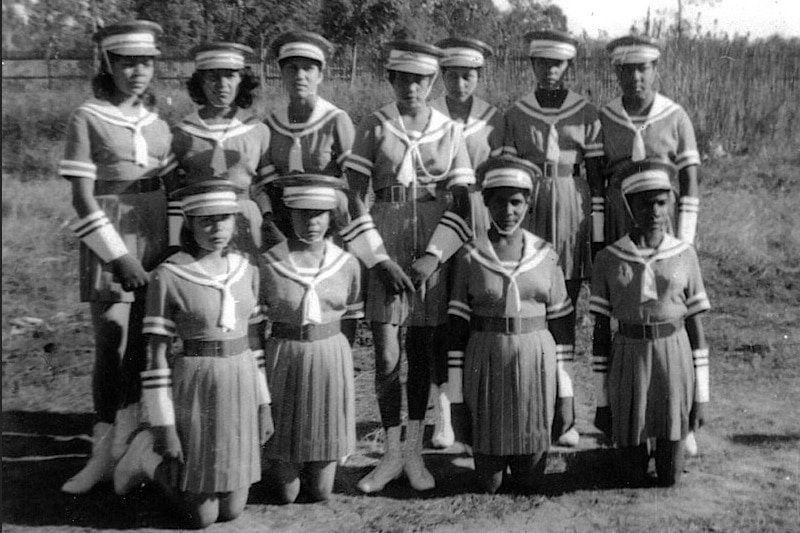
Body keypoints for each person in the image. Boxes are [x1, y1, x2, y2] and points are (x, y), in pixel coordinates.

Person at [340, 38, 474, 493]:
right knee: (385, 352)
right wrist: (377, 258)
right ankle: (390, 454)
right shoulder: (373, 126)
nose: (412, 87)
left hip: (431, 246)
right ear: (391, 79)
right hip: (385, 242)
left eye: (421, 79)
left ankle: (414, 454)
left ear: (431, 81)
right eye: (404, 79)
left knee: (422, 350)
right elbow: (353, 195)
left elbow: (461, 200)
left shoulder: (449, 129)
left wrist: (433, 256)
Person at [113, 180, 273, 529]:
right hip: (195, 387)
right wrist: (164, 427)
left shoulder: (249, 270)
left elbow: (256, 344)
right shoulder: (169, 275)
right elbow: (155, 359)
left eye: (224, 219)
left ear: (235, 220)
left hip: (241, 382)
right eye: (206, 221)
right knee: (200, 518)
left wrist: (264, 404)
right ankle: (144, 457)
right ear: (190, 223)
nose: (217, 229)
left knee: (231, 511)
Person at [60, 20, 172, 494]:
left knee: (148, 342)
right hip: (111, 238)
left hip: (157, 231)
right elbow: (82, 198)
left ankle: (130, 443)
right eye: (127, 62)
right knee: (112, 339)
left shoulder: (160, 123)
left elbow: (172, 189)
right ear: (109, 64)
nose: (137, 72)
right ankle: (101, 450)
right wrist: (117, 256)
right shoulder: (87, 116)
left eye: (145, 62)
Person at [446, 156, 575, 494]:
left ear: (528, 203)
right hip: (486, 363)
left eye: (516, 201)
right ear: (486, 202)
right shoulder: (470, 255)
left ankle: (532, 443)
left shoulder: (546, 254)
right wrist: (456, 401)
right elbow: (456, 333)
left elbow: (562, 329)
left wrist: (566, 395)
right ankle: (487, 450)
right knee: (488, 484)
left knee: (531, 482)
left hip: (536, 363)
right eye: (499, 201)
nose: (508, 210)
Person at [503, 29, 604, 447]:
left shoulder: (587, 112)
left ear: (569, 67)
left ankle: (565, 410)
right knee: (530, 309)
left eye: (557, 64)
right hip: (530, 209)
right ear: (532, 66)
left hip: (572, 209)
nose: (549, 72)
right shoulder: (516, 114)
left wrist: (596, 236)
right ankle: (529, 404)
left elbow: (596, 181)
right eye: (542, 64)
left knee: (565, 310)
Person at [590, 159, 710, 487]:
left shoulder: (685, 254)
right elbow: (600, 335)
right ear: (629, 206)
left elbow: (697, 331)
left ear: (672, 203)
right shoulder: (608, 259)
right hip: (628, 357)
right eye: (645, 204)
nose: (655, 212)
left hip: (674, 356)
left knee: (669, 477)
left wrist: (701, 396)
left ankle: (675, 437)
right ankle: (630, 440)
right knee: (631, 476)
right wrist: (602, 403)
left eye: (662, 202)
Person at [259, 173, 364, 503]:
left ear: (331, 215)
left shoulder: (347, 263)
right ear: (288, 213)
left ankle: (320, 449)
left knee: (320, 492)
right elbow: (254, 332)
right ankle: (281, 457)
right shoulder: (267, 263)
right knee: (286, 494)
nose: (311, 222)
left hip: (329, 361)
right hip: (283, 360)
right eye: (302, 213)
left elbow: (350, 323)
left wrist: (334, 359)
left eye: (319, 213)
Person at [428, 36, 504, 449]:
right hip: (438, 218)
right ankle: (442, 411)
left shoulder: (495, 119)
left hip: (480, 220)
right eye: (453, 75)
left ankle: (471, 402)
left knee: (475, 312)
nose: (460, 83)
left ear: (478, 76)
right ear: (442, 76)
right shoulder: (428, 115)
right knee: (440, 315)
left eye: (468, 76)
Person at [253, 30, 355, 247]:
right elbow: (266, 184)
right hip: (284, 220)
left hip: (328, 219)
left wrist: (349, 223)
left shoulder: (336, 120)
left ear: (320, 75)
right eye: (292, 69)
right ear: (282, 74)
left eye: (308, 68)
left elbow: (356, 181)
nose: (300, 76)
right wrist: (269, 219)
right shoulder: (270, 125)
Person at [599, 35, 701, 246]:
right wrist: (598, 234)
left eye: (642, 68)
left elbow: (689, 180)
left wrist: (686, 238)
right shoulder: (605, 117)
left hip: (661, 216)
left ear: (655, 69)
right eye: (626, 69)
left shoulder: (676, 117)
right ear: (616, 73)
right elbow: (596, 182)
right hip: (618, 218)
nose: (635, 76)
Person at [170, 42, 270, 256]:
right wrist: (175, 237)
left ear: (241, 79)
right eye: (213, 77)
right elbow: (174, 191)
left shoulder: (257, 129)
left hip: (246, 220)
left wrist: (267, 220)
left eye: (230, 76)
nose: (222, 84)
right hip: (201, 223)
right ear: (200, 82)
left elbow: (263, 185)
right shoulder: (181, 133)